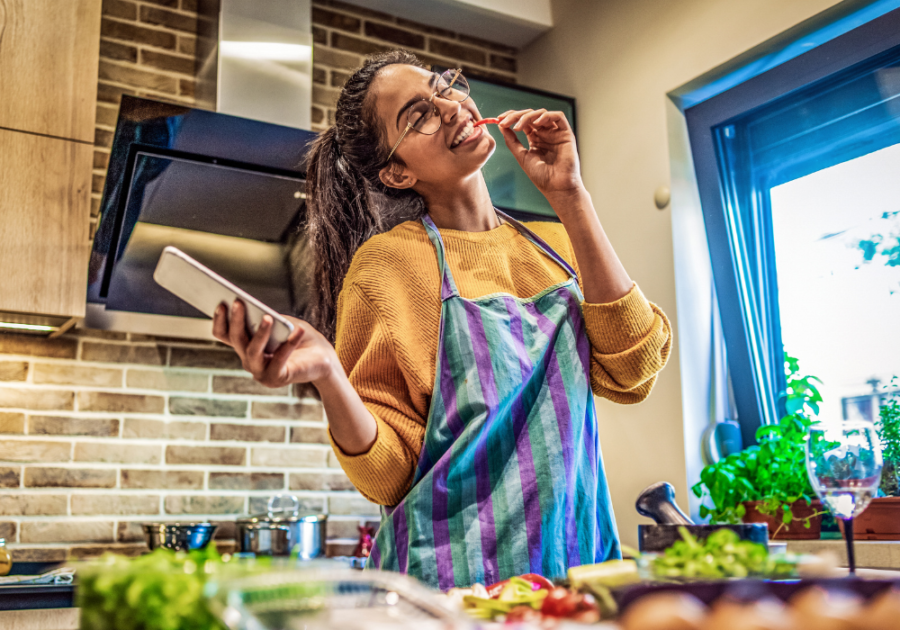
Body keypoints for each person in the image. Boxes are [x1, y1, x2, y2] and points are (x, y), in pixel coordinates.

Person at [213, 50, 671, 590]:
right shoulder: (387, 267)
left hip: (576, 575)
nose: (451, 106)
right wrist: (329, 376)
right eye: (418, 115)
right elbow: (389, 475)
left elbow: (634, 372)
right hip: (451, 590)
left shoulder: (556, 244)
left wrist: (571, 195)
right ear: (396, 171)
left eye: (445, 86)